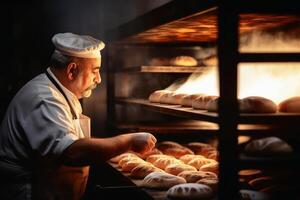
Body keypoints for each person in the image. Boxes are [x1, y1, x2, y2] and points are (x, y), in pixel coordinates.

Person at [0, 33, 157, 200]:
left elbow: (73, 139)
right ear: (72, 70)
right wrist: (128, 142)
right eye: (95, 71)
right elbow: (71, 152)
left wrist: (114, 148)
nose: (99, 79)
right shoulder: (45, 99)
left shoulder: (61, 92)